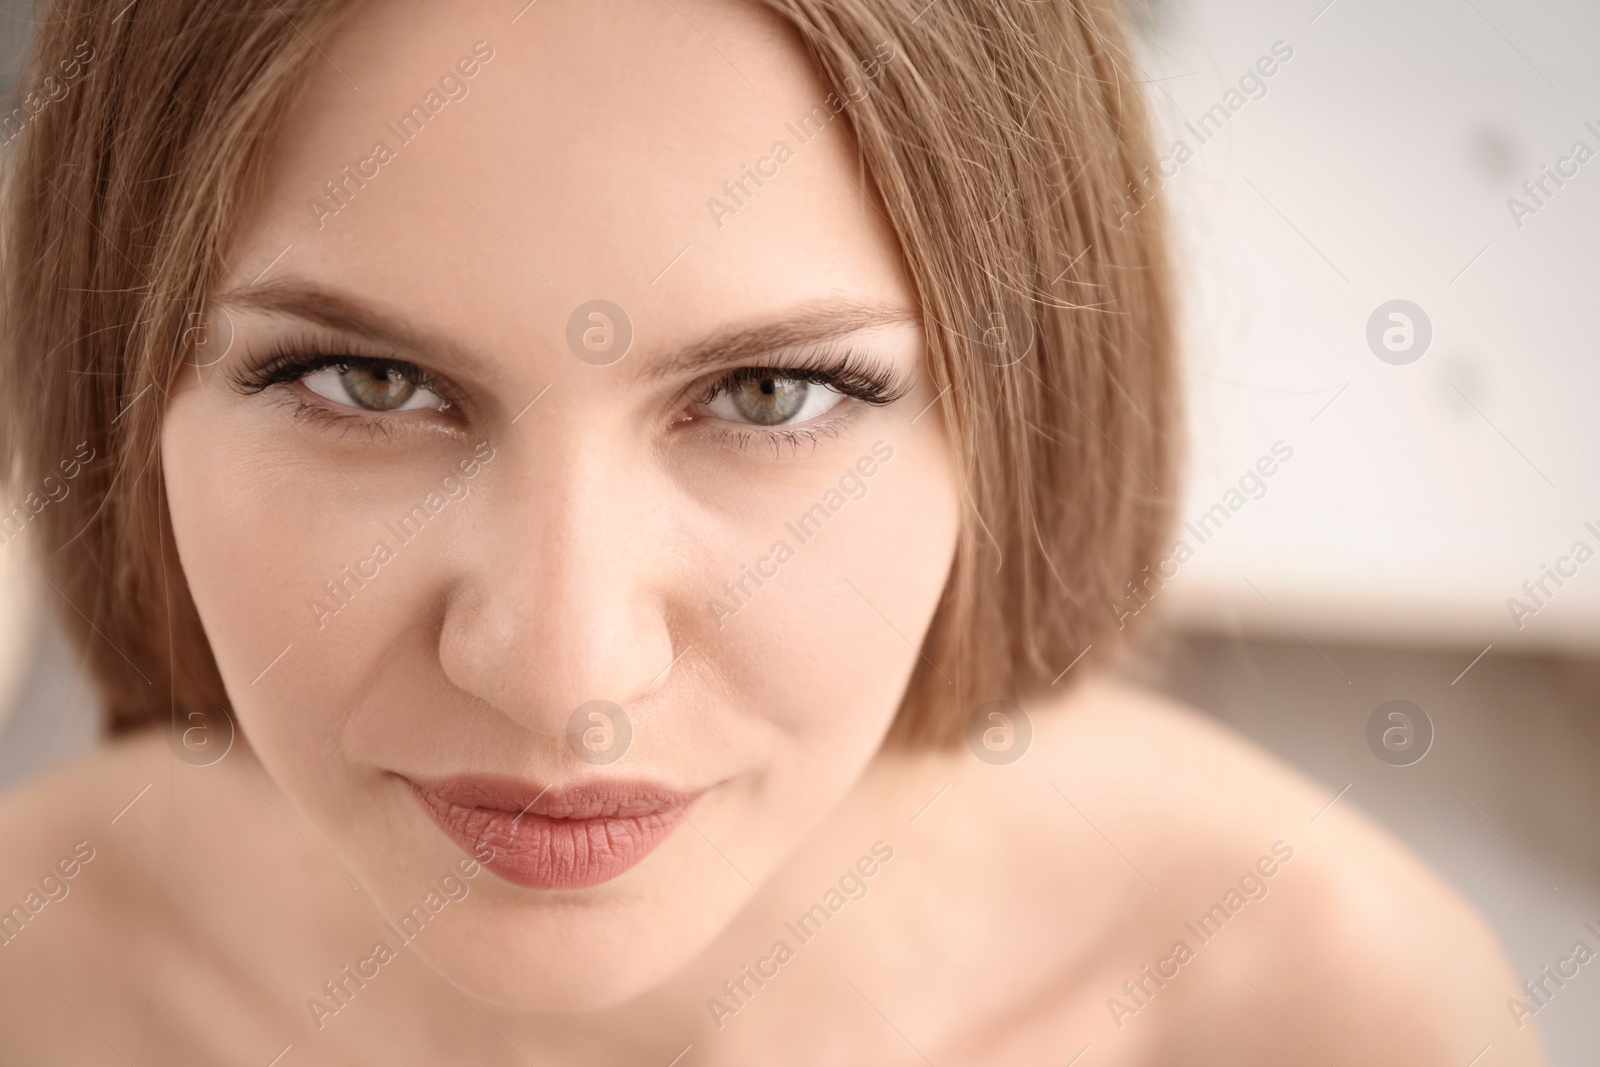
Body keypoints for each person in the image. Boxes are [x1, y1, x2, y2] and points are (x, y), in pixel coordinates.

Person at [0, 1, 1539, 1063]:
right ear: (120, 397)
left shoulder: (1331, 1018)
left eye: (769, 392)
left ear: (1021, 419)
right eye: (369, 381)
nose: (560, 673)